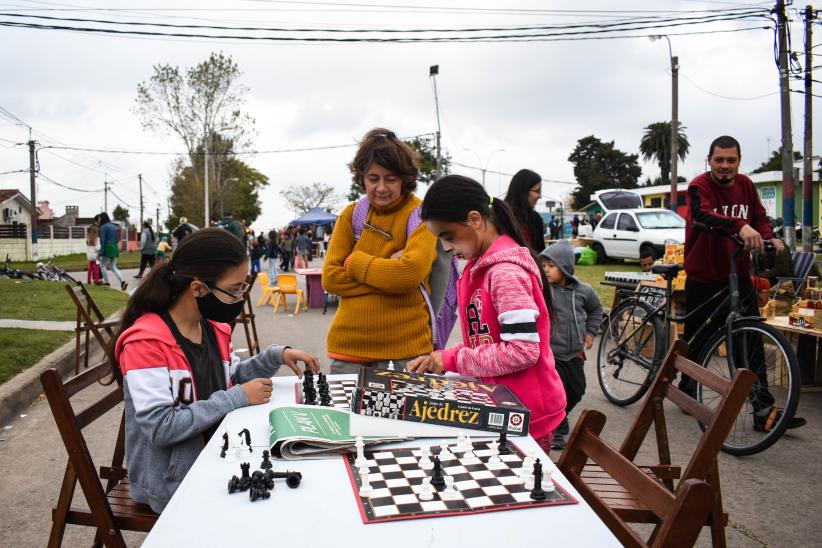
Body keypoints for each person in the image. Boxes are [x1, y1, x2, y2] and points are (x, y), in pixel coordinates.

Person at [112, 228, 320, 513]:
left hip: (215, 455)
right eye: (234, 290)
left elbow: (232, 380)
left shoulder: (212, 327)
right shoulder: (146, 344)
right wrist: (237, 397)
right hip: (173, 481)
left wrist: (275, 356)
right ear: (198, 289)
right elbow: (161, 427)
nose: (239, 298)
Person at [407, 175, 566, 453]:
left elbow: (521, 351)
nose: (446, 248)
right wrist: (444, 359)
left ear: (474, 220)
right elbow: (487, 340)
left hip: (526, 414)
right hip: (504, 404)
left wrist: (452, 358)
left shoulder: (504, 273)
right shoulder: (480, 265)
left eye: (448, 237)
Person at [684, 135, 805, 431]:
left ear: (739, 161)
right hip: (704, 275)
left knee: (750, 342)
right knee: (697, 340)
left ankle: (763, 411)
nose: (725, 166)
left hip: (738, 276)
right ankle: (687, 388)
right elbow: (703, 214)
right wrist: (740, 224)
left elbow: (759, 217)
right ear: (709, 161)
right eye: (719, 160)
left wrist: (769, 236)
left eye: (731, 160)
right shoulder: (699, 186)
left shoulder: (746, 185)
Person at [322, 128, 438, 373]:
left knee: (400, 413)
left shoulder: (421, 216)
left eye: (391, 179)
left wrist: (354, 262)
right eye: (373, 179)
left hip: (406, 352)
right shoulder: (351, 215)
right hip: (349, 349)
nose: (382, 188)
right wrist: (389, 272)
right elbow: (330, 279)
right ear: (362, 178)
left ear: (405, 179)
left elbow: (408, 274)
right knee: (346, 413)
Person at [539, 240, 603, 449]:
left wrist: (591, 332)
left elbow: (596, 310)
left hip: (575, 353)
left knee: (577, 390)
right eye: (544, 265)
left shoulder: (584, 291)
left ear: (565, 266)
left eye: (551, 265)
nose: (546, 270)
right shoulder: (542, 290)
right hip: (551, 354)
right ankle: (557, 427)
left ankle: (561, 416)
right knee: (556, 393)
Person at [504, 168, 546, 253]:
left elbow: (541, 252)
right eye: (537, 191)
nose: (540, 196)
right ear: (523, 191)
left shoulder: (535, 218)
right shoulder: (500, 215)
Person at [97, 212, 127, 291]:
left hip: (107, 247)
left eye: (100, 218)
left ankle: (106, 283)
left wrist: (100, 253)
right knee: (113, 266)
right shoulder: (113, 226)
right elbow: (117, 239)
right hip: (114, 247)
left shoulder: (103, 227)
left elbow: (102, 241)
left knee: (103, 266)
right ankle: (122, 281)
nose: (99, 219)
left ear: (102, 218)